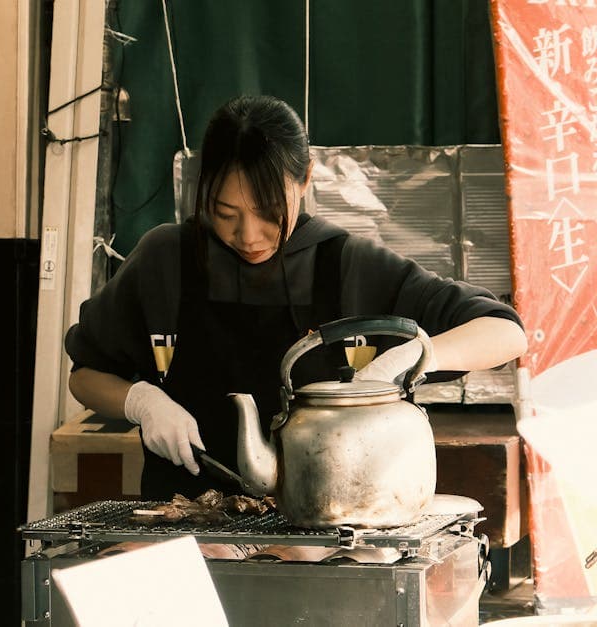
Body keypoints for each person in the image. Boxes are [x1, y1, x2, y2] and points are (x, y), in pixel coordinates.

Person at [65, 94, 528, 500]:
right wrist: (142, 402)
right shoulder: (165, 259)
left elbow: (505, 331)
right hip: (186, 526)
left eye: (269, 212)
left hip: (324, 532)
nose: (248, 236)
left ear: (304, 180)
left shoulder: (347, 263)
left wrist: (402, 361)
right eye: (226, 213)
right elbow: (85, 376)